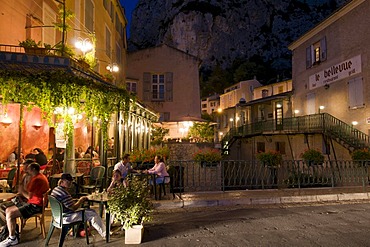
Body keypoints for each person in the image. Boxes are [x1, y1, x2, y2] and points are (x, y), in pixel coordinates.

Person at [0, 163, 49, 247]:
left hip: (35, 206)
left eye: (28, 169)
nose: (27, 170)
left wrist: (21, 190)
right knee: (6, 209)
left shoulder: (36, 180)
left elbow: (29, 197)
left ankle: (12, 237)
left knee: (9, 212)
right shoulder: (41, 176)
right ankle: (9, 230)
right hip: (36, 203)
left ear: (33, 169)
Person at [51, 173, 106, 239]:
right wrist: (81, 200)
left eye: (70, 181)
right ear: (62, 181)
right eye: (67, 181)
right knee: (92, 213)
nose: (70, 183)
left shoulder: (56, 189)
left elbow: (67, 203)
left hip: (57, 216)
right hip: (66, 217)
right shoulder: (64, 193)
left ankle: (91, 228)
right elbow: (74, 208)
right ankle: (105, 234)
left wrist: (76, 200)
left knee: (88, 212)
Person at [0, 159, 33, 242]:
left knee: (5, 209)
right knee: (1, 206)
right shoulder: (25, 176)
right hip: (20, 198)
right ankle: (7, 227)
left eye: (25, 166)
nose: (23, 168)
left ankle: (9, 229)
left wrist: (21, 192)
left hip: (26, 202)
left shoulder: (33, 179)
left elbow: (31, 197)